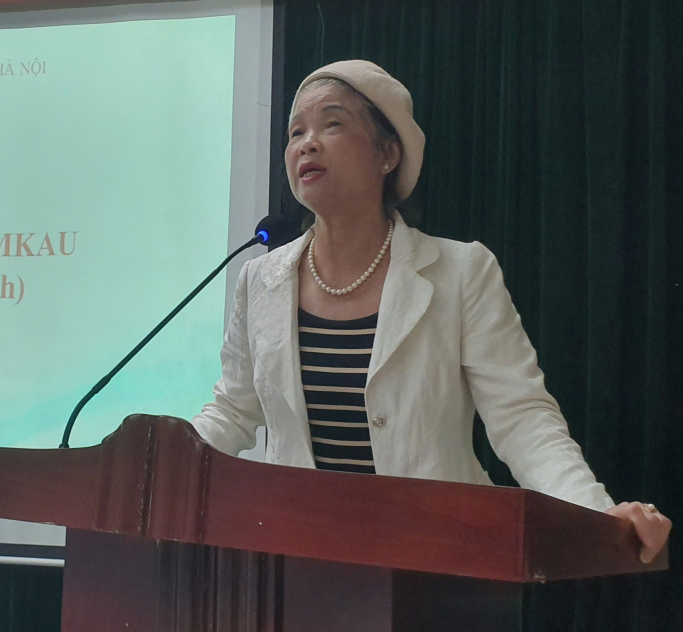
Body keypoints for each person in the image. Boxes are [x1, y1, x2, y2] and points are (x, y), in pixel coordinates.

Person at [190, 60, 671, 563]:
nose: (307, 144)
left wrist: (597, 514)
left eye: (332, 124)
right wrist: (157, 471)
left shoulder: (461, 272)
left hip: (438, 560)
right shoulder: (260, 281)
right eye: (296, 132)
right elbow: (233, 410)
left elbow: (521, 418)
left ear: (389, 153)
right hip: (302, 564)